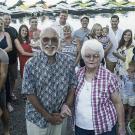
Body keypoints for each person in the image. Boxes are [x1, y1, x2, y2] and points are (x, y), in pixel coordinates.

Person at [22, 27, 77, 135]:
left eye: (54, 39)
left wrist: (66, 105)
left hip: (61, 116)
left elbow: (72, 86)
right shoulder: (31, 64)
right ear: (39, 41)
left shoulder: (68, 61)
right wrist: (48, 116)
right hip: (37, 119)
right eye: (46, 39)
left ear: (59, 41)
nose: (50, 43)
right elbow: (29, 93)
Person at [75, 39, 126, 135]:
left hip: (104, 127)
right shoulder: (78, 74)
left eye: (95, 56)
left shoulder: (108, 77)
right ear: (83, 57)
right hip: (80, 127)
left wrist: (121, 126)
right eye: (88, 56)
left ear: (101, 57)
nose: (91, 59)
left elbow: (118, 103)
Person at [3, 13, 34, 110]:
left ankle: (11, 92)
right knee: (4, 79)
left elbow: (18, 44)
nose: (7, 21)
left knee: (13, 78)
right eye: (6, 19)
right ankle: (6, 99)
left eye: (9, 19)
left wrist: (22, 52)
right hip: (2, 60)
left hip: (12, 59)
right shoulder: (2, 31)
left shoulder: (12, 30)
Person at [0, 48, 10, 135]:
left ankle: (6, 130)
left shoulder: (2, 54)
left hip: (0, 88)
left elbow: (3, 75)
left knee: (3, 110)